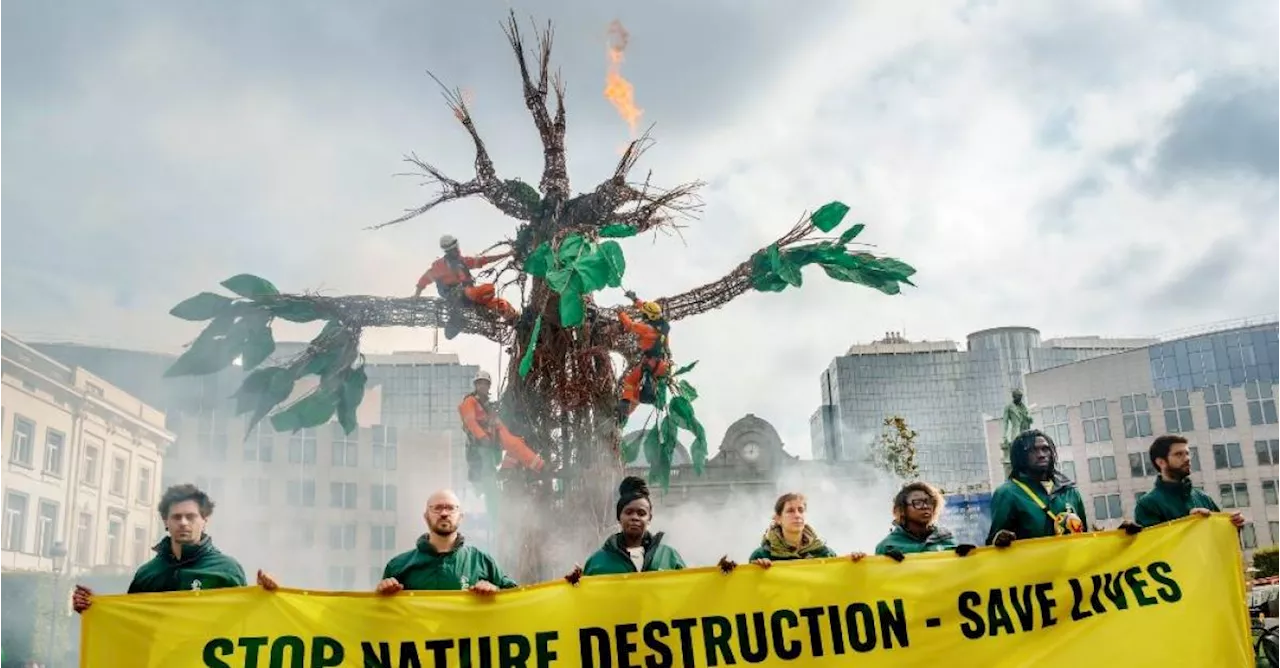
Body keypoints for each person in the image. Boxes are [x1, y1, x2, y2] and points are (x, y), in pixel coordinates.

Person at [71, 484, 277, 613]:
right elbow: (131, 622)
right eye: (177, 517)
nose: (184, 523)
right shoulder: (147, 573)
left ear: (205, 520)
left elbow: (245, 621)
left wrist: (265, 596)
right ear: (166, 521)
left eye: (191, 516)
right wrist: (93, 609)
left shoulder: (226, 570)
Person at [987, 430, 1140, 547]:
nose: (1041, 455)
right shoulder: (1007, 494)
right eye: (1033, 450)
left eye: (1045, 449)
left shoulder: (1070, 492)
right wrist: (999, 541)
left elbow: (1084, 542)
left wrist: (1118, 537)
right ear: (1019, 456)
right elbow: (992, 551)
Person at [376, 489, 517, 594]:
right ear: (426, 517)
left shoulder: (482, 562)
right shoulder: (398, 566)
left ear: (460, 517)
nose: (444, 513)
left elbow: (516, 601)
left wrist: (496, 591)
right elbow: (381, 619)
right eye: (437, 508)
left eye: (450, 508)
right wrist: (380, 594)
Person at [565, 477, 685, 582]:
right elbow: (585, 601)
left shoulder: (668, 557)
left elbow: (688, 592)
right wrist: (575, 585)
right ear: (619, 517)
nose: (634, 517)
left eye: (641, 513)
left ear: (649, 518)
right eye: (628, 512)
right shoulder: (598, 562)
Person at [718, 492, 864, 572]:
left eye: (801, 510)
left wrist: (852, 563)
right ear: (778, 518)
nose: (797, 515)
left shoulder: (824, 552)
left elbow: (838, 582)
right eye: (790, 511)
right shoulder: (762, 555)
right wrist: (756, 572)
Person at [1134, 434, 1247, 529]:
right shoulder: (1147, 504)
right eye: (1179, 454)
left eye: (1187, 453)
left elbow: (1218, 539)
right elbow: (1154, 546)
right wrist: (1190, 523)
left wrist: (1233, 524)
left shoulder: (1203, 497)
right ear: (1161, 462)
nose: (1187, 458)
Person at [458, 370, 545, 486]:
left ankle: (537, 466)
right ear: (476, 385)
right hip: (478, 445)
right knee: (483, 480)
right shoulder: (470, 402)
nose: (483, 386)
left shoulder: (488, 407)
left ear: (489, 386)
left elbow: (502, 430)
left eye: (485, 383)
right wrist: (483, 437)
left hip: (491, 441)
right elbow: (471, 422)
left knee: (517, 443)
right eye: (480, 383)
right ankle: (497, 477)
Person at [414, 235, 517, 325]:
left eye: (455, 248)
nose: (456, 251)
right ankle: (461, 315)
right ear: (448, 251)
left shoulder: (463, 261)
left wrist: (506, 255)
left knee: (501, 302)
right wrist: (416, 295)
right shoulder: (440, 265)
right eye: (453, 249)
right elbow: (425, 279)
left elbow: (484, 260)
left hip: (470, 296)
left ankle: (514, 319)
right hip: (457, 296)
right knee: (486, 289)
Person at [874, 481, 975, 560]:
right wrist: (887, 564)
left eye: (929, 502)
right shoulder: (888, 546)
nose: (925, 506)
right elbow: (876, 581)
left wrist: (969, 557)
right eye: (918, 502)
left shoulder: (946, 539)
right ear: (902, 510)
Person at [616, 290, 671, 425]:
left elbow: (630, 325)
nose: (642, 314)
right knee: (638, 391)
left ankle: (624, 405)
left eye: (644, 314)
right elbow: (645, 307)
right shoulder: (662, 324)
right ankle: (627, 412)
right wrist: (635, 299)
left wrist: (621, 313)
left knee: (629, 381)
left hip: (650, 364)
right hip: (663, 365)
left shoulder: (647, 328)